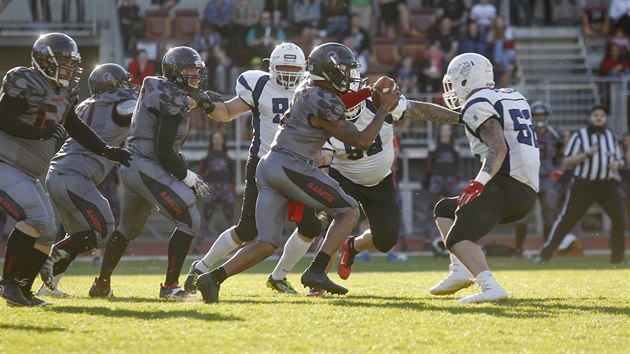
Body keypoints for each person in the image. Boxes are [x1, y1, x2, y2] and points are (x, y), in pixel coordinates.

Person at [195, 43, 401, 303]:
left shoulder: (309, 88)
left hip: (269, 165)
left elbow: (337, 104)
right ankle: (316, 271)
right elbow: (361, 140)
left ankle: (211, 278)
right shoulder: (324, 100)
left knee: (267, 243)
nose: (350, 76)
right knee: (349, 210)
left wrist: (367, 93)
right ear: (329, 72)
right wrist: (383, 108)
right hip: (291, 166)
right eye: (345, 71)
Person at [267, 83, 460, 296]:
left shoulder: (379, 103)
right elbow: (323, 158)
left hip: (381, 182)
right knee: (337, 224)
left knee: (386, 240)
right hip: (345, 178)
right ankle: (317, 280)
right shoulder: (327, 115)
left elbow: (421, 110)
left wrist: (459, 117)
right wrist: (322, 189)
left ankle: (353, 246)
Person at [0, 33, 133, 307]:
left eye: (72, 63)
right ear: (44, 60)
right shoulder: (26, 80)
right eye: (63, 61)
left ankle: (22, 290)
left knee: (48, 230)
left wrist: (106, 150)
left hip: (29, 172)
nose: (69, 68)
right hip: (5, 163)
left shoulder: (63, 92)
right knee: (36, 218)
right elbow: (2, 117)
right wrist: (39, 132)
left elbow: (75, 126)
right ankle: (9, 284)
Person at [183, 43, 323, 295]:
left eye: (294, 68)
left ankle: (278, 276)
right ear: (271, 67)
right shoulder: (258, 85)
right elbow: (226, 112)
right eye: (283, 67)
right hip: (263, 163)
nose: (289, 73)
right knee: (247, 229)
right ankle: (202, 267)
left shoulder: (311, 89)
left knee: (311, 226)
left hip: (298, 165)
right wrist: (205, 103)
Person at [88, 46, 219, 299]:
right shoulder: (171, 97)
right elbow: (164, 151)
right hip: (148, 165)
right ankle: (170, 287)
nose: (194, 74)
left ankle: (101, 285)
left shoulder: (160, 86)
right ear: (174, 72)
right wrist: (188, 177)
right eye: (189, 69)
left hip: (135, 164)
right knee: (190, 220)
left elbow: (188, 99)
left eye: (195, 69)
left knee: (127, 229)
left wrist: (201, 98)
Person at [429, 52, 539, 303]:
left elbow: (498, 147)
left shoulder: (477, 104)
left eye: (454, 80)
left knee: (457, 237)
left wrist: (480, 182)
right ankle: (460, 270)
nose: (452, 88)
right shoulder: (512, 95)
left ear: (465, 79)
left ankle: (490, 286)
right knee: (445, 209)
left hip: (504, 185)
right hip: (526, 190)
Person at [35, 63, 138, 298]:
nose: (127, 85)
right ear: (111, 83)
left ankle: (48, 288)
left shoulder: (85, 105)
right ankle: (52, 253)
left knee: (79, 236)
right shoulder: (120, 105)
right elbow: (143, 111)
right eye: (123, 81)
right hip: (75, 176)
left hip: (59, 174)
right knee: (103, 231)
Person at [537, 105, 626, 265]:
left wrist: (616, 164)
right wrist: (586, 155)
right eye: (595, 115)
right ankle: (546, 255)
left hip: (608, 185)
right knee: (567, 220)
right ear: (590, 118)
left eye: (602, 115)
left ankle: (617, 259)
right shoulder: (580, 136)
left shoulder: (611, 136)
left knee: (619, 219)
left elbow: (620, 160)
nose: (599, 118)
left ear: (605, 119)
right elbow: (567, 161)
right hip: (584, 185)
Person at [512, 101, 564, 256]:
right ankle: (518, 249)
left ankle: (547, 250)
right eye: (536, 115)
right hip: (529, 177)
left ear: (547, 116)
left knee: (550, 213)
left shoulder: (555, 134)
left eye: (542, 115)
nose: (539, 118)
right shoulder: (524, 132)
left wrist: (558, 169)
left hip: (547, 178)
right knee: (523, 214)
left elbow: (561, 154)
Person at [195, 131, 235, 245]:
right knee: (206, 218)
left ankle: (237, 243)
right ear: (212, 141)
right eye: (215, 138)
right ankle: (198, 244)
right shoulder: (207, 156)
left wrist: (232, 188)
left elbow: (232, 175)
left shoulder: (228, 156)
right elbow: (201, 173)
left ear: (223, 141)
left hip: (225, 188)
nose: (217, 141)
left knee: (231, 218)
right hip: (211, 189)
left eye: (219, 138)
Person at [425, 124, 460, 247]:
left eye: (447, 130)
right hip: (437, 178)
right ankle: (429, 238)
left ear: (451, 132)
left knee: (457, 207)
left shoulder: (454, 148)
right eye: (443, 130)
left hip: (450, 179)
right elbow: (429, 165)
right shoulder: (434, 148)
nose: (445, 132)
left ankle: (455, 235)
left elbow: (457, 165)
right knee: (431, 208)